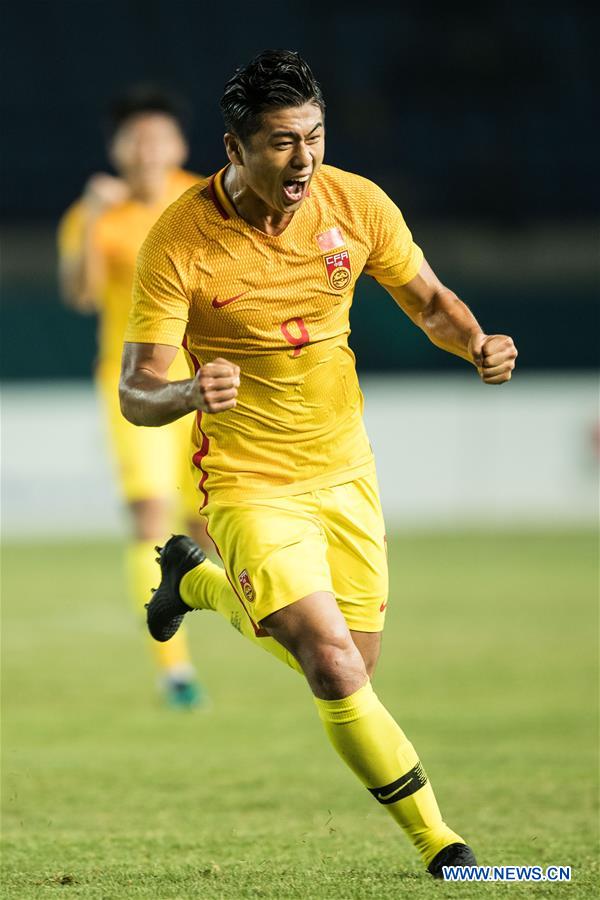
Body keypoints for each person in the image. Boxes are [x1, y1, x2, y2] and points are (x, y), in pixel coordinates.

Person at [119, 51, 518, 877]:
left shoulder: (357, 203)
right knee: (333, 667)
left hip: (346, 471)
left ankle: (197, 585)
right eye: (281, 142)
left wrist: (476, 342)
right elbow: (137, 390)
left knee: (353, 664)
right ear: (234, 148)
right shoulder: (180, 239)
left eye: (315, 136)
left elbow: (430, 303)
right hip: (249, 480)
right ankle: (443, 846)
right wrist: (189, 390)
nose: (304, 159)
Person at [58, 85, 210, 708]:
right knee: (150, 514)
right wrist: (95, 218)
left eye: (157, 137)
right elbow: (80, 294)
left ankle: (266, 625)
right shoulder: (97, 213)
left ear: (178, 145)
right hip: (134, 386)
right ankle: (175, 671)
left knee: (207, 524)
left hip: (204, 381)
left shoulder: (206, 201)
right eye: (135, 138)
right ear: (117, 148)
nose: (146, 149)